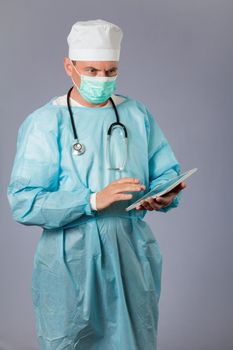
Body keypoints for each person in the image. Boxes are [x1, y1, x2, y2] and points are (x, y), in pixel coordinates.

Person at [7, 19, 186, 350]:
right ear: (69, 66)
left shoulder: (135, 114)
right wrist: (90, 201)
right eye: (92, 70)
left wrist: (164, 194)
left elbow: (165, 171)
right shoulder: (46, 123)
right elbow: (24, 201)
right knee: (71, 340)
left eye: (110, 71)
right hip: (71, 259)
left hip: (131, 252)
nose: (102, 80)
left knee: (134, 340)